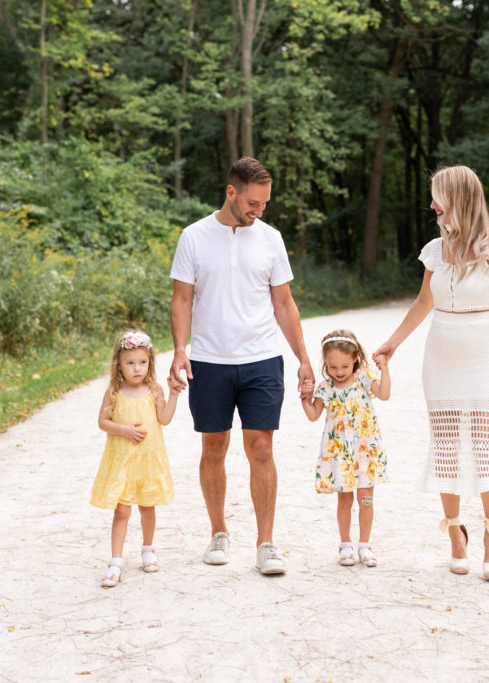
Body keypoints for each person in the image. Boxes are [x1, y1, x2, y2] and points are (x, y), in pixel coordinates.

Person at [372, 165, 489, 581]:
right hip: (441, 352)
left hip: (485, 351)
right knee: (445, 445)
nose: (432, 205)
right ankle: (456, 534)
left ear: (458, 199)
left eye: (438, 196)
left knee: (484, 443)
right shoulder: (434, 251)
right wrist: (392, 342)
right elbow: (424, 301)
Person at [169, 156, 314, 575]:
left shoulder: (271, 238)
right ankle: (219, 531)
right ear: (230, 192)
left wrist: (303, 358)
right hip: (209, 361)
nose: (259, 211)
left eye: (265, 204)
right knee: (213, 448)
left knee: (262, 449)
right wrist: (180, 349)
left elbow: (284, 304)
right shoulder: (194, 237)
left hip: (262, 360)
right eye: (253, 203)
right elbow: (181, 299)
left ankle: (266, 543)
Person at [90, 330, 180, 588]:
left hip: (147, 460)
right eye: (130, 363)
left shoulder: (154, 389)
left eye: (142, 362)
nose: (136, 368)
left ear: (150, 361)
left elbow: (164, 419)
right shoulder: (115, 391)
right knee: (121, 510)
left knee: (147, 506)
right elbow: (102, 422)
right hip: (123, 461)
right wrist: (124, 430)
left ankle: (148, 549)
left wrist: (173, 395)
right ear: (119, 363)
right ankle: (116, 560)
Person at [300, 330, 391, 567]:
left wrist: (385, 370)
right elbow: (313, 415)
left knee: (366, 498)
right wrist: (305, 398)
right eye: (332, 367)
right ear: (326, 365)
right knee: (344, 500)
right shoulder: (327, 388)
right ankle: (345, 544)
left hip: (365, 451)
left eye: (344, 366)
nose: (338, 372)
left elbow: (384, 394)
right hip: (339, 453)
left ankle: (365, 545)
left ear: (355, 360)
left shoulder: (363, 379)